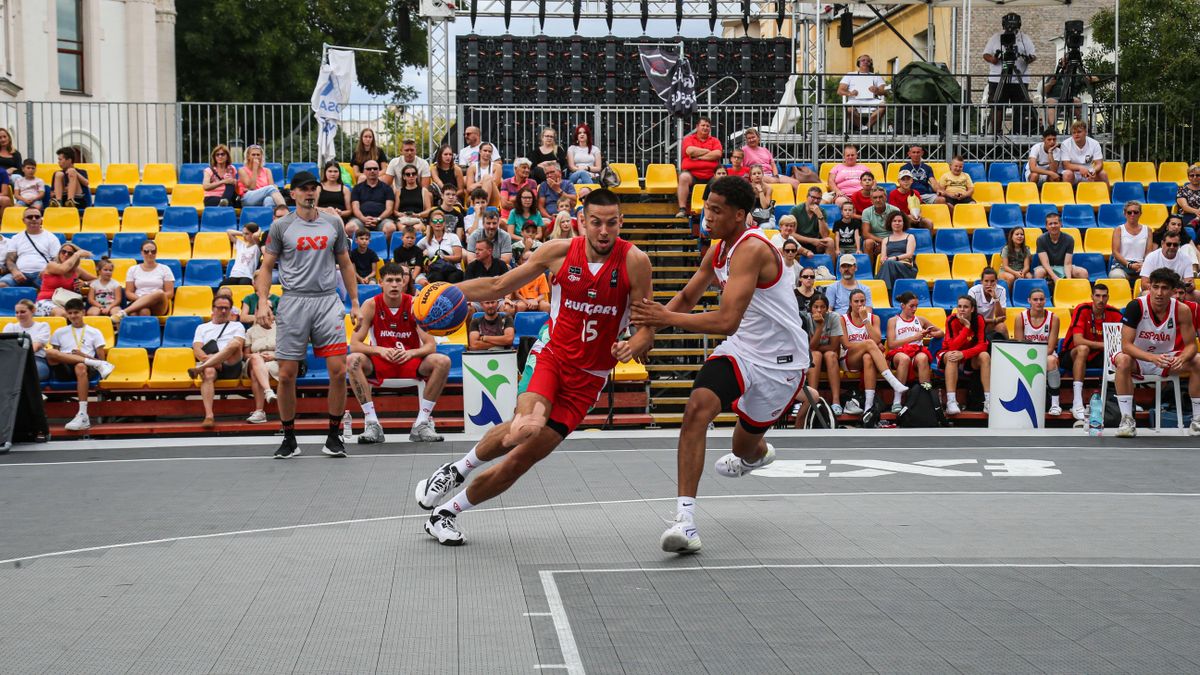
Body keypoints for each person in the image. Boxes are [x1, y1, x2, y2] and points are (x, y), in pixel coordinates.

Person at [413, 188, 653, 546]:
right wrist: (449, 290)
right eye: (596, 223)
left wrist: (634, 343)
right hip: (552, 356)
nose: (604, 231)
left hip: (589, 378)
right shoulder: (558, 253)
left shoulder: (635, 261)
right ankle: (455, 471)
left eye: (612, 223)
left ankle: (446, 513)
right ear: (582, 222)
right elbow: (498, 284)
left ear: (621, 222)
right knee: (525, 426)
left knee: (521, 460)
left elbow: (647, 323)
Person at [623, 176, 806, 552]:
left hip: (781, 362)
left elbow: (725, 320)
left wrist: (663, 319)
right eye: (706, 207)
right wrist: (647, 332)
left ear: (740, 215)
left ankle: (756, 455)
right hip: (741, 350)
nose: (707, 215)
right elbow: (689, 295)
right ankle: (685, 522)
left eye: (716, 210)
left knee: (744, 447)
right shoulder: (718, 249)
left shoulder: (752, 248)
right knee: (697, 408)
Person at [254, 170, 359, 460]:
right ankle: (289, 437)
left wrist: (354, 302)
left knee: (338, 371)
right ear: (294, 194)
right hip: (294, 301)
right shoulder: (281, 226)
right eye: (303, 189)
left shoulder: (333, 222)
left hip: (326, 301)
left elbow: (346, 264)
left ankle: (334, 436)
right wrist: (263, 301)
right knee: (286, 375)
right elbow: (266, 268)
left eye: (313, 188)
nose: (309, 192)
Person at [346, 262, 452, 444]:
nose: (394, 285)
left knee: (443, 361)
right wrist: (379, 350)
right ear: (380, 282)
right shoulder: (370, 305)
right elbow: (354, 345)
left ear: (404, 282)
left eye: (398, 280)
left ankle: (422, 423)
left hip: (410, 361)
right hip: (381, 362)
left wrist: (412, 354)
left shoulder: (414, 304)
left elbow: (430, 346)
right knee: (352, 360)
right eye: (389, 280)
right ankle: (372, 424)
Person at [1113, 268, 1200, 438]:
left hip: (1166, 358)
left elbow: (1191, 346)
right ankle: (1127, 419)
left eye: (1164, 288)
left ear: (1173, 291)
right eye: (1155, 287)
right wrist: (1153, 358)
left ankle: (1197, 420)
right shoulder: (1136, 306)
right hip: (1138, 358)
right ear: (1149, 287)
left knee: (1198, 360)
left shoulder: (1182, 310)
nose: (1159, 292)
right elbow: (1126, 346)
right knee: (1123, 360)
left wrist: (1182, 358)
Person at [48, 298, 115, 431]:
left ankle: (83, 414)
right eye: (70, 313)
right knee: (50, 353)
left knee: (80, 366)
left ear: (83, 312)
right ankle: (82, 361)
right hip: (65, 368)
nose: (73, 316)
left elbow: (101, 361)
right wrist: (74, 357)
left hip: (87, 368)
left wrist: (83, 356)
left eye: (76, 312)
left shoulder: (94, 332)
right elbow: (54, 358)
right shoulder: (59, 332)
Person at [839, 288, 909, 416]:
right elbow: (846, 344)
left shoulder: (873, 318)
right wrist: (866, 344)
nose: (860, 304)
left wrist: (865, 320)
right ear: (850, 303)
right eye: (856, 301)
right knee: (870, 344)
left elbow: (878, 338)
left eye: (862, 301)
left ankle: (868, 406)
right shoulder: (842, 319)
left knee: (868, 357)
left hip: (868, 358)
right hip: (850, 358)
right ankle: (892, 381)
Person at [1063, 283, 1122, 420]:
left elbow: (1122, 340)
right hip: (1072, 354)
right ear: (1092, 297)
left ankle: (1123, 400)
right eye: (1097, 296)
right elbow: (1078, 341)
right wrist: (1105, 345)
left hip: (1099, 355)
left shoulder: (1114, 313)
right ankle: (1077, 402)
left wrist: (1107, 347)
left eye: (1104, 296)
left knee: (1121, 357)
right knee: (1083, 349)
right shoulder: (1082, 309)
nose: (1101, 299)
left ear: (1108, 298)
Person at [187, 294, 247, 428]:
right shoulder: (202, 328)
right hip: (212, 365)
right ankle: (209, 416)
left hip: (232, 363)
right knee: (208, 372)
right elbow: (197, 349)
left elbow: (239, 346)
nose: (224, 311)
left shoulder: (237, 326)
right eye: (220, 308)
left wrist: (218, 358)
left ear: (231, 309)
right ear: (213, 309)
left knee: (234, 344)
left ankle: (200, 369)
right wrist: (212, 361)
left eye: (227, 308)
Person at [886, 291, 942, 412]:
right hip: (899, 352)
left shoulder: (920, 320)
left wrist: (930, 333)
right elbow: (891, 344)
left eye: (916, 306)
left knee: (923, 358)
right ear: (902, 305)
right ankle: (897, 400)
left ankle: (925, 399)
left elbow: (941, 332)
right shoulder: (893, 321)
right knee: (904, 359)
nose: (915, 309)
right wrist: (914, 338)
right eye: (912, 306)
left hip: (916, 352)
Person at [982, 12, 1036, 133]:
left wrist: (1028, 59)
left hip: (1019, 79)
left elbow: (1033, 55)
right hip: (997, 79)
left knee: (1020, 107)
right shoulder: (996, 37)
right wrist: (993, 59)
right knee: (997, 106)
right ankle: (995, 134)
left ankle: (1019, 133)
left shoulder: (1024, 38)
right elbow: (985, 54)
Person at [938, 294, 991, 415]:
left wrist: (964, 354)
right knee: (952, 355)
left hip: (968, 357)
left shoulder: (979, 319)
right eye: (959, 306)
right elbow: (952, 346)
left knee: (985, 356)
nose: (962, 309)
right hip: (948, 353)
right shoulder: (951, 319)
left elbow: (983, 345)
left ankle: (988, 401)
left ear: (972, 309)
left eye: (965, 307)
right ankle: (951, 402)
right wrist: (966, 327)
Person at [1015, 287, 1063, 415]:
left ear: (1045, 301)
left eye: (1041, 299)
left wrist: (1036, 358)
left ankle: (1055, 404)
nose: (1038, 302)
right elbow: (1020, 345)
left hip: (1046, 354)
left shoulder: (1054, 318)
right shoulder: (1020, 318)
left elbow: (1051, 347)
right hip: (1025, 354)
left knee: (1051, 361)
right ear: (1029, 301)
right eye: (1035, 299)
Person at [0, 208, 60, 289]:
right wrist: (15, 272)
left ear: (41, 220)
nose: (34, 219)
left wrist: (46, 271)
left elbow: (57, 259)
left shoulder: (51, 238)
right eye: (30, 217)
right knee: (2, 285)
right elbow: (10, 260)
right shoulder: (16, 238)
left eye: (37, 217)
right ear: (23, 220)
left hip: (42, 274)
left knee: (53, 289)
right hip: (20, 273)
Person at [675, 118, 723, 219]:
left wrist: (699, 156)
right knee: (683, 177)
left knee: (720, 178)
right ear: (697, 127)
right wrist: (708, 151)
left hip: (711, 175)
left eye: (708, 126)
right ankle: (682, 209)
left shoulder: (715, 141)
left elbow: (717, 154)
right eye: (703, 125)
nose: (705, 128)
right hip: (692, 175)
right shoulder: (689, 139)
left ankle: (719, 209)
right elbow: (690, 151)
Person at [805, 294, 843, 415]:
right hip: (813, 358)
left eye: (822, 307)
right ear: (811, 308)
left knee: (829, 355)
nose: (819, 310)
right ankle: (813, 400)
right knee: (816, 355)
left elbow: (834, 346)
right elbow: (810, 347)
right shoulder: (806, 319)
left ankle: (836, 401)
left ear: (827, 308)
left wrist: (816, 347)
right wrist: (819, 327)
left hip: (830, 357)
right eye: (816, 307)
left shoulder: (834, 317)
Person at [36, 241, 95, 317]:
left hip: (66, 303)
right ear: (59, 253)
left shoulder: (77, 270)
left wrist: (85, 283)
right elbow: (63, 269)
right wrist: (77, 254)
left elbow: (98, 280)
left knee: (78, 313)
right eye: (63, 252)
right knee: (61, 313)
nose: (66, 254)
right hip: (46, 301)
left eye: (70, 253)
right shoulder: (51, 265)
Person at [242, 313, 279, 425]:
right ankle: (268, 392)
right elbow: (246, 354)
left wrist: (274, 356)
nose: (265, 316)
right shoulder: (251, 331)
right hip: (254, 360)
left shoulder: (282, 329)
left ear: (273, 315)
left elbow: (288, 350)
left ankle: (259, 412)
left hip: (275, 360)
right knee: (255, 357)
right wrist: (259, 356)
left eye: (269, 313)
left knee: (255, 373)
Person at [1141, 230, 1197, 301]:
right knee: (1146, 293)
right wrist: (1165, 290)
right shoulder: (1151, 257)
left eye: (1175, 244)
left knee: (1197, 294)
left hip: (1176, 291)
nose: (1172, 247)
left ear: (1179, 245)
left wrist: (1190, 286)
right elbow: (1144, 284)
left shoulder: (1186, 259)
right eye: (1169, 244)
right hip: (1158, 290)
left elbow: (1190, 283)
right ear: (1162, 243)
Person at [837, 54, 888, 132]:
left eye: (868, 61)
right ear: (858, 63)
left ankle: (866, 127)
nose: (865, 62)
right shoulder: (850, 75)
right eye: (863, 60)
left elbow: (885, 91)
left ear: (870, 63)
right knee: (849, 110)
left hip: (872, 100)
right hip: (854, 100)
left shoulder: (876, 76)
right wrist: (850, 93)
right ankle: (862, 128)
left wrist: (877, 90)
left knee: (883, 106)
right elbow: (840, 90)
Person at [123, 240, 174, 316]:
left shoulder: (165, 269)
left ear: (156, 253)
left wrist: (151, 298)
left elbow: (170, 293)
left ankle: (124, 312)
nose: (150, 254)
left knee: (159, 292)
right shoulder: (133, 269)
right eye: (146, 251)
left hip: (158, 304)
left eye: (153, 251)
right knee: (143, 311)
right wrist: (143, 300)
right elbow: (129, 292)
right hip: (138, 300)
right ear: (142, 253)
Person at [347, 160, 396, 237]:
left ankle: (384, 249)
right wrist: (363, 218)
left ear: (379, 171)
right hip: (361, 220)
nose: (372, 171)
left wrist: (378, 219)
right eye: (369, 169)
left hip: (382, 220)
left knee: (390, 228)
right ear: (364, 171)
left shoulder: (387, 188)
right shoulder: (357, 188)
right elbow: (355, 207)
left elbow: (389, 209)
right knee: (350, 227)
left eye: (375, 168)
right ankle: (357, 249)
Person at [1034, 212, 1088, 284]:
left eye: (1056, 223)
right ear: (1046, 226)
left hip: (1063, 266)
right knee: (1039, 272)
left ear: (1060, 224)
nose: (1053, 226)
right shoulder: (1041, 239)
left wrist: (1068, 279)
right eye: (1050, 224)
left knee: (1083, 273)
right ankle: (1044, 295)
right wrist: (1054, 277)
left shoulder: (1069, 239)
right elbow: (1045, 263)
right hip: (1047, 268)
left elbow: (1067, 263)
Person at [5, 299, 51, 381]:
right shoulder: (10, 326)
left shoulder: (42, 326)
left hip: (35, 359)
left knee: (37, 372)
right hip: (14, 359)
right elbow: (7, 346)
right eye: (17, 312)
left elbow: (36, 347)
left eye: (23, 312)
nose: (19, 315)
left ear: (33, 311)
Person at [237, 145, 288, 217]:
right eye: (253, 155)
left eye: (258, 155)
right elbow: (252, 187)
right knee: (271, 188)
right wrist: (255, 168)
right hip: (248, 198)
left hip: (263, 198)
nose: (256, 157)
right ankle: (286, 212)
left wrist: (274, 187)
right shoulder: (242, 170)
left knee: (269, 199)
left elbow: (272, 190)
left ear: (261, 157)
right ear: (248, 156)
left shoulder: (267, 171)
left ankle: (268, 222)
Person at [1110, 201, 1152, 282]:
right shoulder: (1118, 230)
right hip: (1121, 266)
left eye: (1135, 212)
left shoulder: (1148, 230)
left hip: (1141, 266)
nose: (1132, 214)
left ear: (1140, 213)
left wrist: (1144, 265)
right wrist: (1129, 265)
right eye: (1129, 212)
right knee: (1117, 276)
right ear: (1125, 214)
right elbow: (1115, 252)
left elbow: (1148, 252)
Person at [420, 209, 464, 284]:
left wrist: (442, 257)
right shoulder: (426, 240)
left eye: (440, 221)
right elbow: (415, 252)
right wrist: (425, 259)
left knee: (453, 277)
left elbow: (458, 257)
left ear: (444, 223)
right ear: (430, 223)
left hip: (452, 269)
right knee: (437, 277)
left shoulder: (453, 237)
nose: (438, 223)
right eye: (435, 221)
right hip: (435, 270)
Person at [788, 185, 835, 254]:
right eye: (813, 197)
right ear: (807, 197)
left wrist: (820, 216)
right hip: (799, 242)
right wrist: (812, 241)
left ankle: (830, 265)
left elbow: (825, 235)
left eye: (819, 198)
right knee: (790, 242)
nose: (816, 201)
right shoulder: (796, 210)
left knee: (829, 241)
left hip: (816, 243)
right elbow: (791, 234)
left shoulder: (822, 211)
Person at [877, 212, 917, 291]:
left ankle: (885, 291)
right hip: (890, 266)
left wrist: (894, 258)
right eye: (894, 221)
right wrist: (884, 259)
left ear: (903, 223)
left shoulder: (910, 237)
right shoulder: (885, 240)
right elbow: (883, 257)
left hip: (905, 267)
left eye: (899, 221)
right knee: (887, 264)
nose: (897, 223)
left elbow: (909, 254)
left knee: (888, 264)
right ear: (890, 223)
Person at [860, 185, 900, 262]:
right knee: (867, 243)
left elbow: (898, 231)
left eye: (881, 197)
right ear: (871, 200)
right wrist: (882, 242)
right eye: (875, 198)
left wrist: (886, 243)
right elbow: (865, 233)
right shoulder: (866, 212)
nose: (878, 200)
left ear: (886, 198)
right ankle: (870, 271)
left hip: (892, 240)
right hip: (875, 241)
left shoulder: (894, 210)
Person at [968, 267, 1010, 338]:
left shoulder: (1001, 290)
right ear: (981, 281)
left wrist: (995, 299)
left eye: (992, 281)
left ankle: (1005, 348)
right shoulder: (973, 291)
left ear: (996, 281)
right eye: (986, 281)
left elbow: (1001, 317)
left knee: (1002, 327)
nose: (989, 284)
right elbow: (972, 318)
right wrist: (993, 320)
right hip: (976, 324)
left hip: (990, 325)